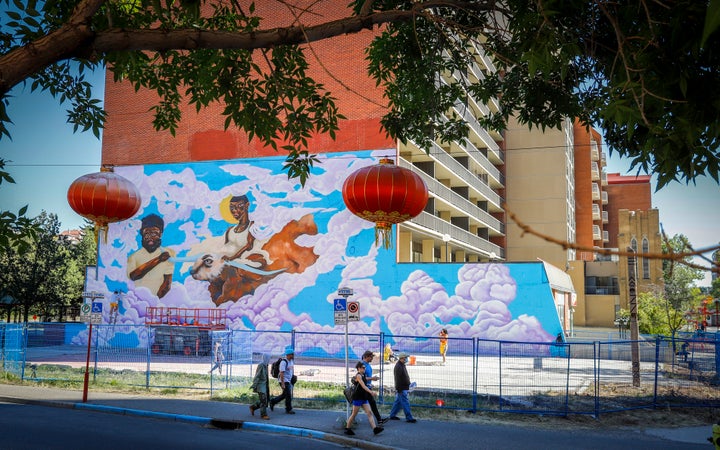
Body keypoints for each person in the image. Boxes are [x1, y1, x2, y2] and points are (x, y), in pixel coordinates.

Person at [127, 214, 174, 298]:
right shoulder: (134, 257)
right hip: (137, 301)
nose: (150, 237)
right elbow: (133, 276)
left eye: (154, 233)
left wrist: (155, 302)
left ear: (160, 234)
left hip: (157, 303)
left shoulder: (169, 253)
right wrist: (158, 260)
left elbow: (167, 283)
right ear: (142, 234)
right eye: (147, 233)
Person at [345, 361, 384, 436]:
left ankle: (375, 429)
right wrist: (371, 392)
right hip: (358, 398)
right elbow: (363, 386)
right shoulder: (358, 376)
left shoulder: (363, 375)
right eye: (363, 368)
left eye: (364, 367)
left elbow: (365, 382)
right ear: (358, 368)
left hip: (363, 397)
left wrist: (371, 383)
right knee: (354, 414)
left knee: (369, 412)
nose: (364, 369)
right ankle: (347, 429)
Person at [387, 352, 416, 423]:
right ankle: (409, 418)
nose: (407, 359)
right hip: (402, 388)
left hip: (403, 387)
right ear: (402, 358)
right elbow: (398, 379)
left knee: (398, 402)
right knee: (405, 402)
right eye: (405, 358)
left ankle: (392, 415)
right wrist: (399, 389)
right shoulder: (398, 367)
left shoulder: (401, 365)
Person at [361, 350, 387, 425]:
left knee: (372, 404)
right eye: (371, 357)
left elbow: (366, 378)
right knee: (359, 406)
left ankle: (379, 420)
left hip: (368, 388)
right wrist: (372, 378)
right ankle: (379, 421)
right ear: (366, 357)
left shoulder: (368, 365)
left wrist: (370, 382)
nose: (372, 358)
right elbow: (361, 378)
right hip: (363, 389)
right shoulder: (362, 365)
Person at [269, 346, 296, 414]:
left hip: (288, 380)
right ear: (288, 355)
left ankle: (273, 401)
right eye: (292, 354)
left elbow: (290, 371)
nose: (293, 355)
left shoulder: (291, 361)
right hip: (283, 380)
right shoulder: (283, 362)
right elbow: (281, 373)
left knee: (285, 395)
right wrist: (283, 383)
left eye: (293, 354)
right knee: (288, 395)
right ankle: (288, 409)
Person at [250, 354, 271, 420]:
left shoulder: (266, 365)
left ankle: (253, 407)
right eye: (268, 358)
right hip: (261, 385)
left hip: (265, 385)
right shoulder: (261, 365)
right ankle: (263, 415)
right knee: (263, 401)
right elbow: (257, 376)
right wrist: (254, 385)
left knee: (264, 400)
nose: (269, 360)